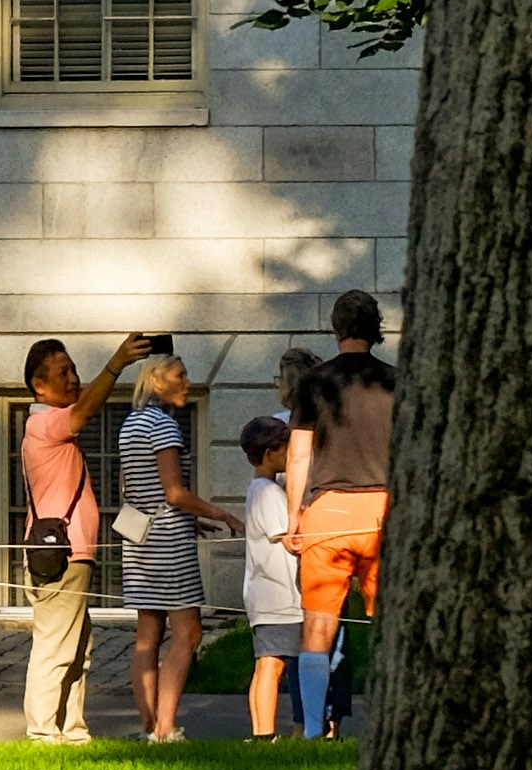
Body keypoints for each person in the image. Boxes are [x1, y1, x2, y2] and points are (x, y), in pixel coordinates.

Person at [14, 329, 148, 745]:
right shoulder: (45, 423)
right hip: (63, 554)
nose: (73, 379)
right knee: (56, 645)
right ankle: (42, 731)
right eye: (63, 372)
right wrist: (116, 364)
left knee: (76, 647)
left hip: (73, 554)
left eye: (74, 370)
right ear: (39, 385)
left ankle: (71, 729)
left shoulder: (50, 425)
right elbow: (85, 412)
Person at [116, 352, 245, 744]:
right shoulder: (163, 425)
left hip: (138, 538)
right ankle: (166, 727)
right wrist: (222, 514)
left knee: (147, 633)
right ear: (157, 380)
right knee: (187, 632)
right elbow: (174, 493)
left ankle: (148, 724)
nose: (187, 382)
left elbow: (134, 488)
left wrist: (193, 518)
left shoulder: (130, 423)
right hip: (169, 541)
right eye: (180, 375)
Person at [286, 286, 396, 741]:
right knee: (391, 624)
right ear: (376, 329)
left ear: (335, 329)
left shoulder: (314, 382)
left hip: (328, 510)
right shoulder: (396, 381)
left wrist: (293, 517)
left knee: (317, 625)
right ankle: (393, 724)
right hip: (385, 510)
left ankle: (314, 730)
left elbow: (298, 454)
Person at [238, 413, 303, 740]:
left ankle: (261, 732)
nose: (289, 457)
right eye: (284, 450)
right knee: (272, 664)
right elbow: (291, 539)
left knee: (266, 662)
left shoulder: (260, 489)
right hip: (276, 595)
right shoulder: (268, 493)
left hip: (266, 594)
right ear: (268, 454)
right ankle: (264, 732)